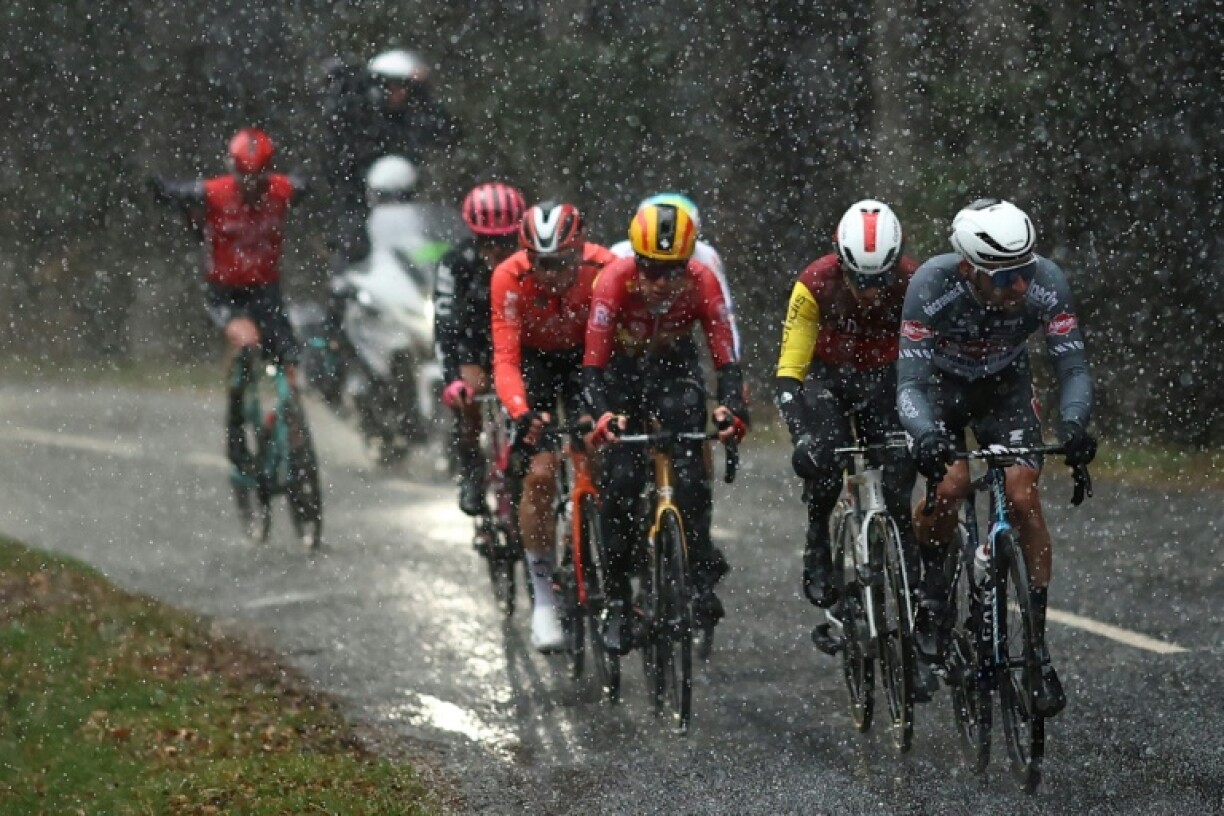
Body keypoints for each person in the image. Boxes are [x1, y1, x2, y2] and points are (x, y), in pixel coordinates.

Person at [897, 198, 1097, 718]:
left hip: (1005, 389)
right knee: (949, 486)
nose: (1022, 287)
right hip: (940, 388)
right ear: (969, 269)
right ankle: (935, 598)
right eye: (1006, 277)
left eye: (1026, 271)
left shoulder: (1046, 281)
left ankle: (1036, 649)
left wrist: (1074, 426)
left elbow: (1072, 365)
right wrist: (924, 435)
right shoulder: (931, 285)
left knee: (1022, 493)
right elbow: (910, 384)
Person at [583, 202, 749, 655]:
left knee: (692, 477)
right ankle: (618, 602)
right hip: (622, 373)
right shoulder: (613, 279)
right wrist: (601, 415)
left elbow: (725, 357)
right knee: (619, 484)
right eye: (651, 270)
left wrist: (730, 408)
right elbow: (593, 367)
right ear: (636, 259)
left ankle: (698, 581)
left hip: (675, 369)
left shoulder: (703, 280)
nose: (660, 283)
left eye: (672, 271)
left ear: (688, 263)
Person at [772, 200, 920, 627]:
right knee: (825, 467)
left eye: (881, 279)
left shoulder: (915, 282)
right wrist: (802, 435)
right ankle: (817, 539)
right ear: (841, 264)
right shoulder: (814, 283)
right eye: (859, 279)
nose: (871, 292)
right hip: (828, 382)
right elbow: (789, 374)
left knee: (897, 482)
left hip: (886, 380)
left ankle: (912, 618)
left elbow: (934, 361)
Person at [490, 201, 616, 652]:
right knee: (540, 474)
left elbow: (619, 348)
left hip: (590, 358)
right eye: (542, 264)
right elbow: (505, 359)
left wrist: (600, 409)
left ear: (579, 250)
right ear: (528, 257)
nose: (553, 274)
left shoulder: (607, 267)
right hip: (535, 364)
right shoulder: (508, 276)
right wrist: (523, 411)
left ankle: (614, 555)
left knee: (602, 452)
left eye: (563, 262)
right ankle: (543, 598)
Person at [151, 128, 307, 479]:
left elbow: (306, 184)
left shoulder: (282, 191)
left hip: (267, 290)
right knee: (247, 341)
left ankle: (292, 427)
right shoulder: (215, 193)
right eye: (244, 177)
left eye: (259, 178)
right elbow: (170, 195)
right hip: (225, 292)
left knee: (290, 359)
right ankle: (236, 432)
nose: (251, 187)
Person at [434, 183, 527, 517]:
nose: (497, 250)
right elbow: (444, 328)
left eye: (505, 241)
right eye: (487, 241)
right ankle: (471, 465)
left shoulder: (530, 262)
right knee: (471, 394)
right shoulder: (454, 264)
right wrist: (451, 380)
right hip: (473, 345)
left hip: (518, 345)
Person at [323, 48, 461, 271]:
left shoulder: (412, 118)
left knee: (434, 250)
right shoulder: (358, 118)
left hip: (408, 207)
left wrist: (423, 95)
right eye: (392, 86)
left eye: (406, 88)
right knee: (351, 254)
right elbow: (337, 150)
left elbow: (448, 131)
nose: (400, 94)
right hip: (360, 205)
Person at [609, 193, 742, 358]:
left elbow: (723, 314)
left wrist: (732, 364)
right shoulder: (619, 254)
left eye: (675, 266)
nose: (662, 280)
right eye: (652, 264)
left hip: (675, 344)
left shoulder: (706, 258)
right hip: (626, 344)